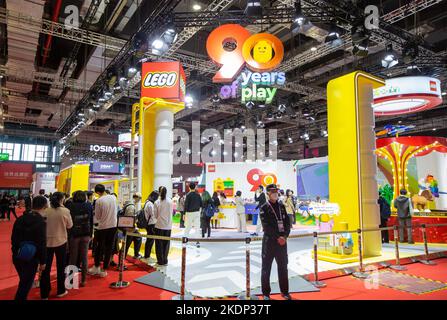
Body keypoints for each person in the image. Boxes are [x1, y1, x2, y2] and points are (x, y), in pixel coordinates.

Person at [11, 196, 47, 301]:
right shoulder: (40, 222)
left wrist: (15, 252)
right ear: (44, 206)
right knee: (25, 285)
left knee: (24, 281)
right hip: (31, 258)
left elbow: (13, 238)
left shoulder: (20, 219)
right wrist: (43, 261)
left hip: (18, 255)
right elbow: (41, 243)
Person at [260, 184, 292, 300]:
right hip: (270, 242)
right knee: (266, 268)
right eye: (272, 191)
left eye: (276, 191)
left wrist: (285, 236)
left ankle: (285, 292)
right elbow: (266, 226)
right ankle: (266, 294)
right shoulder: (264, 207)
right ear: (268, 193)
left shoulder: (281, 206)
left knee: (283, 267)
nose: (275, 193)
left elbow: (287, 223)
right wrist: (278, 237)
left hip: (282, 243)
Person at [40, 192, 73, 299]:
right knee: (60, 266)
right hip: (61, 241)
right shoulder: (65, 211)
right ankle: (60, 290)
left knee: (45, 268)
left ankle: (44, 294)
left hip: (47, 242)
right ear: (61, 199)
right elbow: (70, 225)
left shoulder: (45, 211)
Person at [88, 184, 117, 277]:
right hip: (113, 226)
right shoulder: (113, 198)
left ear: (97, 192)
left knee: (99, 247)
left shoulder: (99, 200)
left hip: (103, 227)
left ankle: (96, 267)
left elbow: (97, 216)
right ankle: (104, 269)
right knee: (109, 248)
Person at [66, 191, 93, 287]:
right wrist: (91, 234)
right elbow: (91, 221)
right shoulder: (89, 205)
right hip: (86, 234)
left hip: (74, 234)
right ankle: (84, 280)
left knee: (73, 257)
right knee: (84, 257)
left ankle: (71, 281)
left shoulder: (70, 206)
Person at [154, 187, 173, 266]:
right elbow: (171, 213)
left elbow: (155, 215)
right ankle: (165, 260)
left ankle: (160, 261)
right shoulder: (170, 201)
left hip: (159, 225)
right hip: (168, 226)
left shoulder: (157, 202)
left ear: (159, 192)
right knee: (166, 243)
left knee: (159, 244)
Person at [123, 193, 143, 260]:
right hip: (129, 229)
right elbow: (129, 219)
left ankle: (136, 254)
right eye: (140, 198)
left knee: (138, 237)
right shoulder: (131, 206)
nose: (139, 200)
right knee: (126, 245)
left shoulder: (129, 203)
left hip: (129, 228)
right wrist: (133, 226)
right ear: (136, 198)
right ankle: (122, 262)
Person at [143, 191, 159, 262]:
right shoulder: (150, 204)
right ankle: (147, 256)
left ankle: (147, 255)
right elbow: (153, 214)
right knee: (150, 240)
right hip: (151, 224)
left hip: (149, 224)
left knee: (149, 240)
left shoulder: (147, 202)